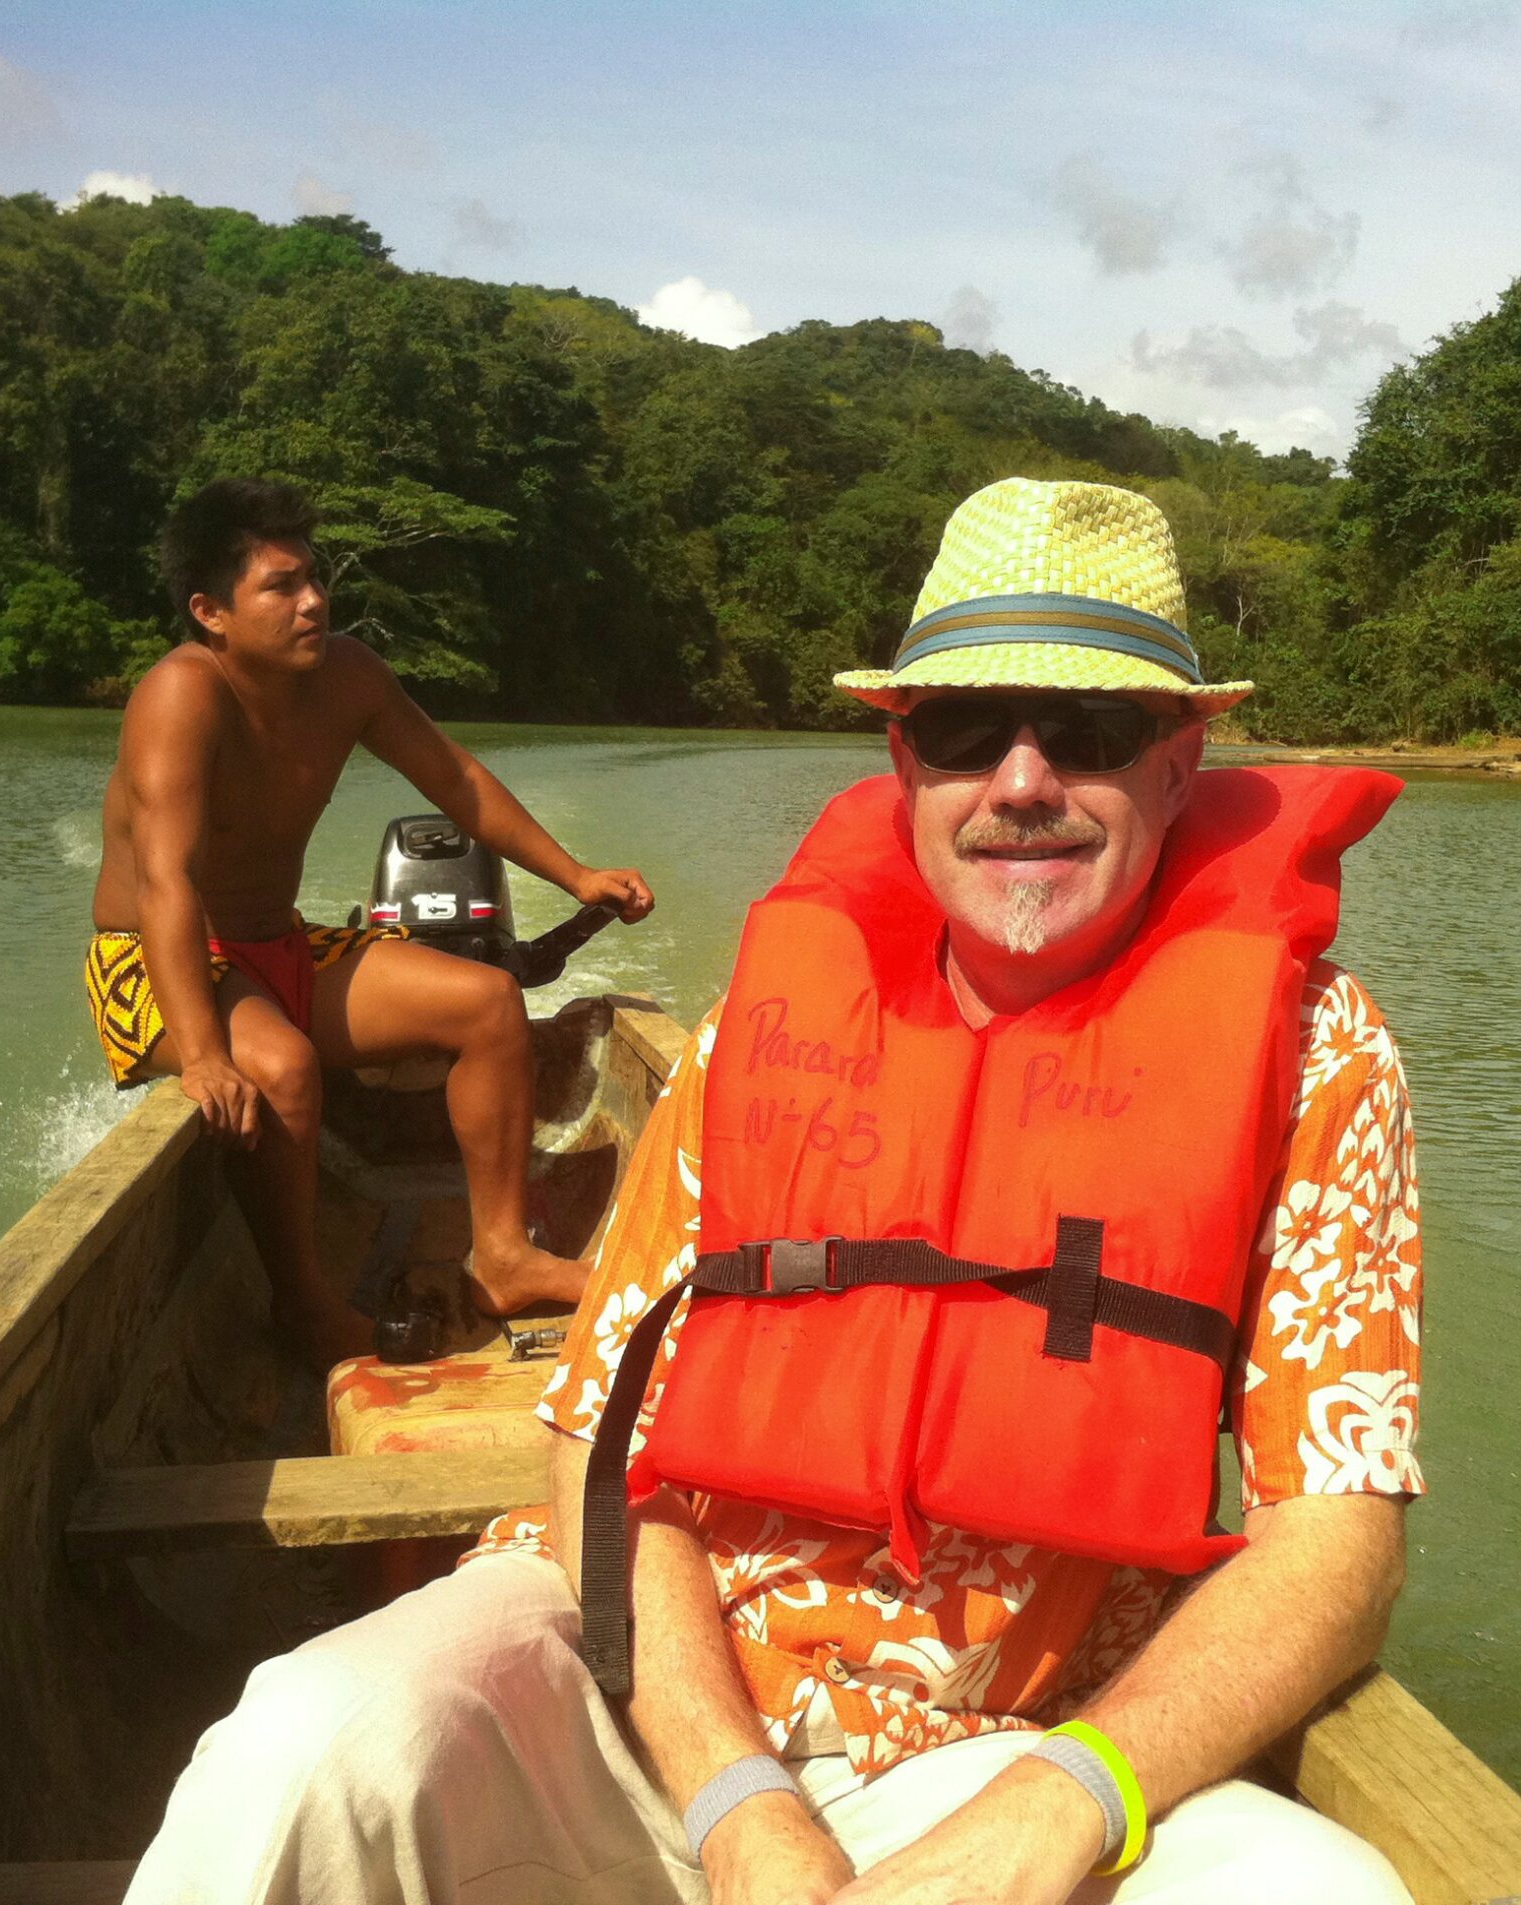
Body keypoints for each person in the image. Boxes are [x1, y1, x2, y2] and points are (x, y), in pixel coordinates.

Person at [124, 478, 1423, 1904]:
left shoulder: (1313, 1053)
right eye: (962, 729)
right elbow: (601, 1444)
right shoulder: (774, 1023)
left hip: (1022, 1738)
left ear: (1182, 759)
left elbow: (1337, 1531)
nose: (1022, 781)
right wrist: (737, 1795)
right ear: (900, 758)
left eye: (1094, 732)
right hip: (642, 1677)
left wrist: (1066, 1801)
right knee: (310, 1745)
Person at [86, 476, 654, 1364]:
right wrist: (201, 1053)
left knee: (488, 1003)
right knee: (282, 1068)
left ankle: (503, 1256)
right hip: (156, 956)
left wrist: (576, 875)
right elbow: (167, 882)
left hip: (280, 941)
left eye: (316, 579)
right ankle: (303, 1305)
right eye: (281, 586)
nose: (312, 601)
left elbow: (456, 781)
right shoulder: (180, 696)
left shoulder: (346, 675)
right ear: (212, 611)